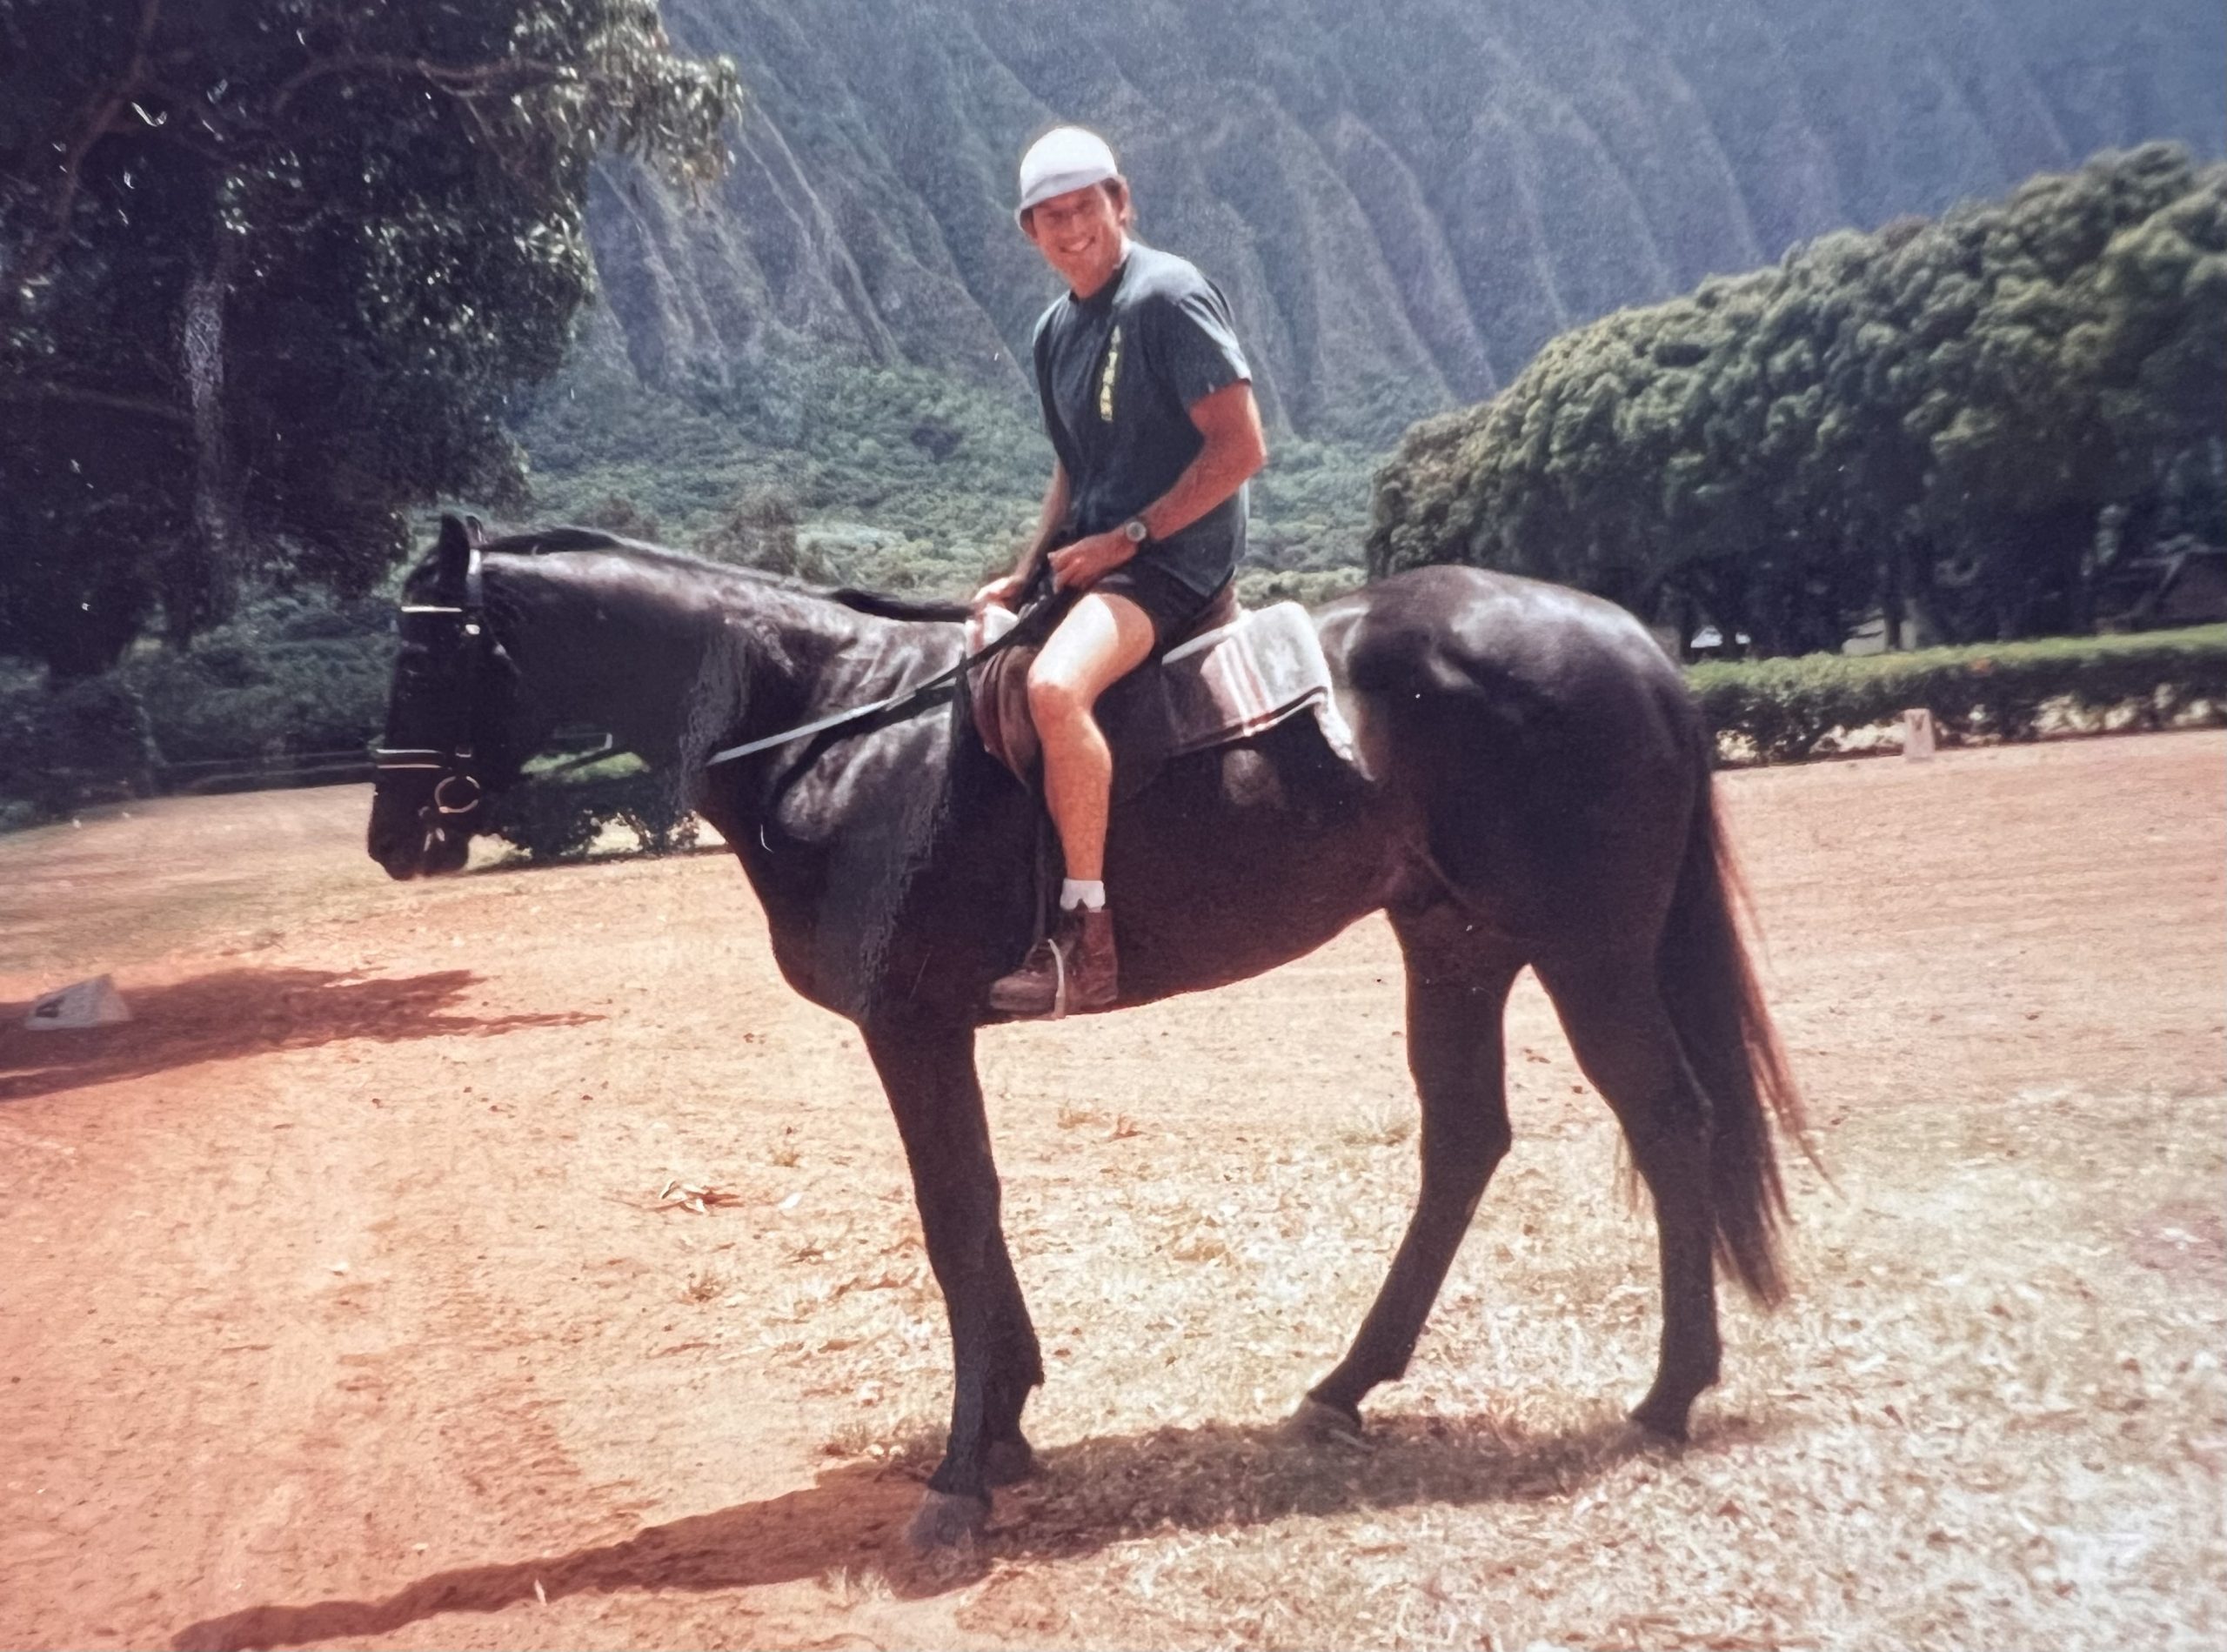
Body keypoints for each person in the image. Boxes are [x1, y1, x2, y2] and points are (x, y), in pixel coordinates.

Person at [976, 125, 1267, 1018]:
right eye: (1050, 218)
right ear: (1029, 231)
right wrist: (1023, 573)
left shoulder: (1167, 297)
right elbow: (1076, 466)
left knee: (1057, 691)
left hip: (1174, 561)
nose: (1071, 231)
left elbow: (1241, 448)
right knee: (976, 655)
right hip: (1102, 555)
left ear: (1121, 201)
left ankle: (1089, 936)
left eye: (1084, 208)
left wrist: (1128, 539)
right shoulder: (1052, 332)